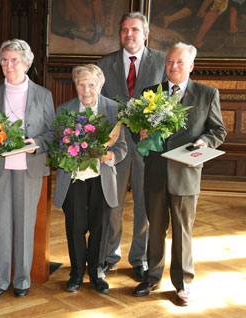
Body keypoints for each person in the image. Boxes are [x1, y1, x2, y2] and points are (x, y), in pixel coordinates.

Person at [132, 43, 227, 306]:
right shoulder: (151, 92)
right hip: (156, 172)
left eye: (180, 62)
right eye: (170, 62)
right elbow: (136, 127)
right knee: (156, 227)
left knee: (183, 230)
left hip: (186, 173)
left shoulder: (208, 94)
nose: (173, 67)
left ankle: (183, 283)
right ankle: (152, 276)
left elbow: (218, 131)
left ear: (191, 65)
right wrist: (139, 133)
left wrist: (205, 142)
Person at [0, 39, 55, 298]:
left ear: (26, 63)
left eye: (14, 60)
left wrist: (37, 143)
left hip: (29, 167)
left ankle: (22, 279)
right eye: (4, 60)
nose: (8, 64)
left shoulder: (43, 94)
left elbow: (53, 133)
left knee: (25, 224)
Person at [97, 12, 167, 281]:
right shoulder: (105, 64)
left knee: (144, 204)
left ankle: (140, 258)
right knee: (111, 203)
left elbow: (169, 101)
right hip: (114, 145)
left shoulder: (162, 61)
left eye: (135, 30)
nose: (129, 34)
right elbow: (98, 104)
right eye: (124, 29)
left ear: (145, 33)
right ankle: (108, 256)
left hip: (147, 146)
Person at [53, 64, 127, 294]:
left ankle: (97, 273)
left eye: (91, 85)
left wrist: (111, 155)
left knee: (100, 227)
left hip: (101, 177)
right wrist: (64, 152)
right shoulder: (63, 110)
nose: (86, 90)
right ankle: (76, 274)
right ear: (75, 86)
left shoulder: (114, 110)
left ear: (100, 86)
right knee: (75, 228)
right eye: (81, 84)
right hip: (74, 179)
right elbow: (55, 146)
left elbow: (123, 147)